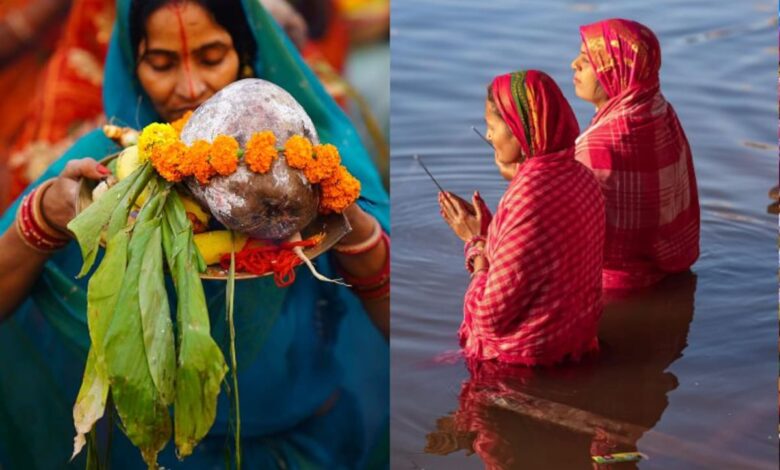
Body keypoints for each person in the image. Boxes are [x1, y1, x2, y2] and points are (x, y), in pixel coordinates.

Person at [0, 0, 389, 468]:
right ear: (132, 64)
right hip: (143, 451)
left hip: (299, 439)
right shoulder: (106, 164)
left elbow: (403, 320)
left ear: (248, 54)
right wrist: (43, 217)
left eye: (211, 58)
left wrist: (349, 226)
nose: (191, 88)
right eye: (161, 64)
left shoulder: (309, 155)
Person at [438, 70, 605, 367]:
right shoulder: (581, 175)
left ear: (518, 130)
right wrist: (494, 233)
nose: (488, 136)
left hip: (526, 359)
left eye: (492, 126)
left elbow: (489, 316)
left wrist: (475, 243)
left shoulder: (528, 198)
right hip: (576, 341)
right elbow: (541, 261)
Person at [571, 18, 700, 290]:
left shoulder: (596, 146)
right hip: (670, 268)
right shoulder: (660, 111)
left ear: (619, 69)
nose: (574, 64)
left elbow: (566, 233)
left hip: (612, 288)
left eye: (586, 59)